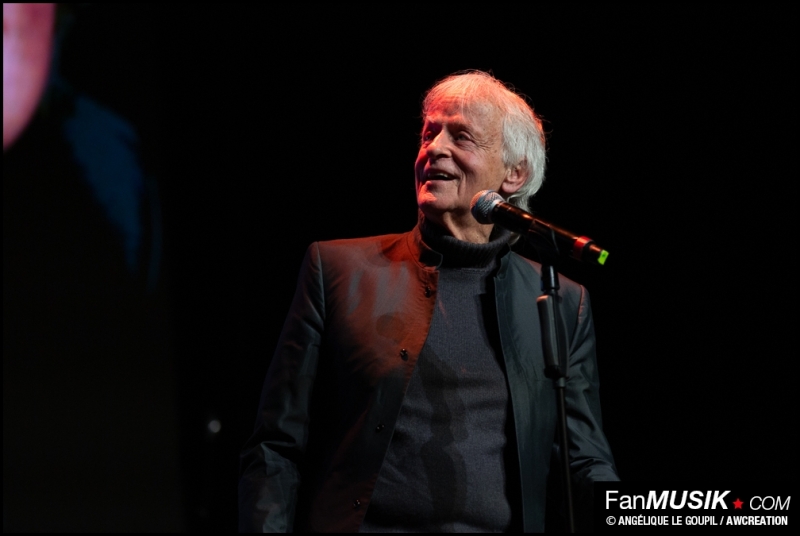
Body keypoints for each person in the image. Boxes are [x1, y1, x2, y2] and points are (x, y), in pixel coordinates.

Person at [238, 70, 618, 532]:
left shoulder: (562, 302)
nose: (434, 149)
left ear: (514, 173)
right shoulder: (337, 270)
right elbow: (276, 447)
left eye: (462, 137)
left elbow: (585, 464)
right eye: (428, 133)